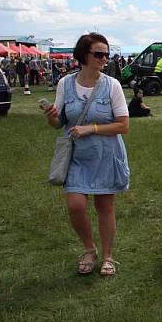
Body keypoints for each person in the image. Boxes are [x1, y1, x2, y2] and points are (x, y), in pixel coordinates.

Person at [41, 32, 130, 277]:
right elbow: (59, 123)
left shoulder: (112, 85)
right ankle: (89, 249)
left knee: (105, 205)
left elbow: (123, 125)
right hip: (78, 156)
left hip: (106, 154)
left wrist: (92, 128)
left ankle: (108, 256)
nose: (104, 58)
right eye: (98, 54)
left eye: (106, 54)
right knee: (76, 205)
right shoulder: (65, 84)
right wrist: (52, 117)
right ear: (83, 56)